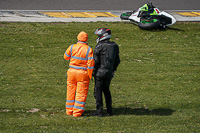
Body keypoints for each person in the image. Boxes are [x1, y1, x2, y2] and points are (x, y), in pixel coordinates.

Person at [64, 31, 94, 117]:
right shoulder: (89, 49)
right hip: (83, 73)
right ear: (86, 40)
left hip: (71, 72)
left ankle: (69, 110)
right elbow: (90, 64)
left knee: (70, 91)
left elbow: (66, 57)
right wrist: (90, 75)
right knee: (81, 93)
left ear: (78, 38)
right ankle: (77, 112)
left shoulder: (72, 47)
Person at [92, 28, 120, 117]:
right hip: (109, 72)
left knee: (98, 91)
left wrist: (93, 71)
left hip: (99, 72)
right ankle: (109, 111)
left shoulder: (99, 46)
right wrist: (113, 69)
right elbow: (117, 60)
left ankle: (99, 111)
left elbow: (95, 61)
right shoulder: (114, 46)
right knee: (106, 90)